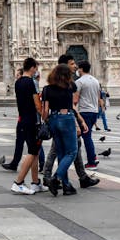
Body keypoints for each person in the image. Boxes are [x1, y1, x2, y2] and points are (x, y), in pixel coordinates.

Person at [41, 62, 87, 196]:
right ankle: (56, 178)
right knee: (72, 151)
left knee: (61, 153)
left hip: (53, 119)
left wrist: (48, 121)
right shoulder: (70, 86)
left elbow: (44, 111)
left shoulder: (46, 89)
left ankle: (67, 186)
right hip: (67, 118)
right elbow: (73, 106)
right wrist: (80, 121)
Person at [10, 58, 47, 195]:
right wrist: (45, 116)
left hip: (23, 119)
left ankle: (35, 182)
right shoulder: (30, 82)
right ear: (31, 68)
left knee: (36, 151)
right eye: (35, 68)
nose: (36, 71)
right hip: (31, 121)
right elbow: (37, 104)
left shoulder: (18, 82)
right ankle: (18, 183)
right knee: (32, 152)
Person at [75, 61, 102, 168]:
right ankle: (93, 156)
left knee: (86, 137)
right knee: (88, 135)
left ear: (81, 69)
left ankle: (91, 161)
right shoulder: (95, 81)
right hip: (94, 111)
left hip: (84, 112)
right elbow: (99, 97)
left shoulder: (79, 82)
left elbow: (75, 99)